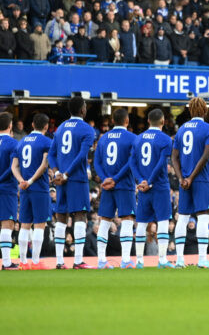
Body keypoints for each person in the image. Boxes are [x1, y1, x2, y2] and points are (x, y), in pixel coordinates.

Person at [172, 98, 209, 269]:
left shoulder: (181, 129)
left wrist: (181, 178)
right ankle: (202, 259)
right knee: (203, 217)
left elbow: (174, 157)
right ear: (204, 110)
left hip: (184, 180)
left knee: (183, 218)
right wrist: (191, 177)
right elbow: (206, 156)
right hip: (199, 178)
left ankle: (179, 260)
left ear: (190, 111)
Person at [48, 96, 96, 269]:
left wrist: (57, 172)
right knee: (80, 216)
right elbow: (82, 154)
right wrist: (67, 173)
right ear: (82, 110)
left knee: (61, 217)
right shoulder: (87, 130)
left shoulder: (60, 128)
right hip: (76, 179)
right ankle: (77, 260)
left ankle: (60, 261)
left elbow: (51, 155)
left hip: (61, 180)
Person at [129, 109, 174, 269]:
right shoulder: (166, 140)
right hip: (159, 186)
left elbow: (132, 163)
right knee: (163, 220)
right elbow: (161, 162)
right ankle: (162, 260)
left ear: (148, 121)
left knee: (141, 222)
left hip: (142, 188)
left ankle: (139, 261)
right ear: (163, 122)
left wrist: (141, 181)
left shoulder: (138, 139)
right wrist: (150, 182)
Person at [92, 109, 137, 269]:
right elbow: (131, 162)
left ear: (113, 121)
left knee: (104, 222)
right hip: (124, 185)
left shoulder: (103, 139)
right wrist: (116, 179)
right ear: (127, 121)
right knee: (127, 221)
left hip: (107, 187)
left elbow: (96, 163)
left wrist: (106, 179)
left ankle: (101, 261)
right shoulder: (133, 138)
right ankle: (125, 260)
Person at [10, 113, 51, 270]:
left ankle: (22, 262)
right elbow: (44, 165)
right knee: (39, 225)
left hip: (24, 188)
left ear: (32, 125)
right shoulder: (47, 141)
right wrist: (31, 181)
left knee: (24, 225)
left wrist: (21, 181)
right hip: (39, 188)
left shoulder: (20, 143)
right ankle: (35, 262)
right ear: (46, 127)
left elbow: (14, 166)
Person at [0, 112, 19, 270]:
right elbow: (12, 168)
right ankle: (6, 262)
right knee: (7, 223)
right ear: (10, 125)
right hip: (6, 188)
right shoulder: (13, 144)